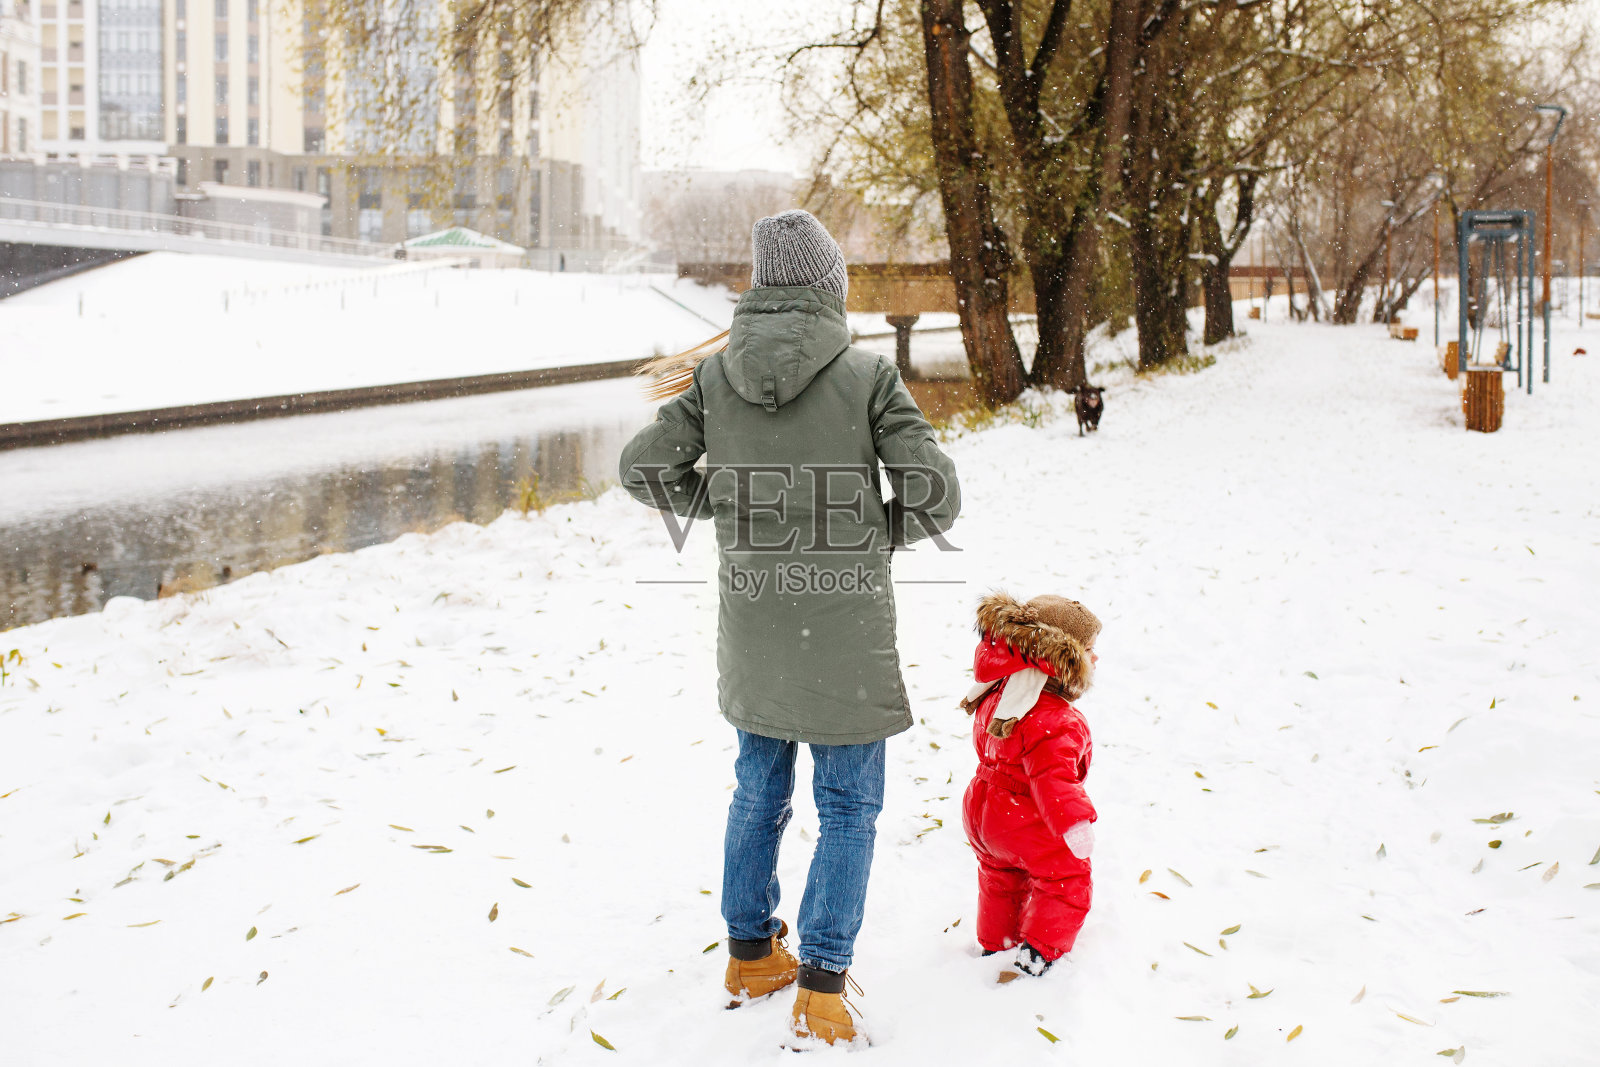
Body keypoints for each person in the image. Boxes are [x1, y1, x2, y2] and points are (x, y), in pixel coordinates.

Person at [618, 210, 961, 1045]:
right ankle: (824, 987)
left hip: (756, 634)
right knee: (848, 807)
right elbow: (936, 495)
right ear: (828, 289)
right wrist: (872, 529)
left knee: (759, 789)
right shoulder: (868, 376)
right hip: (843, 634)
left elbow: (641, 469)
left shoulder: (714, 378)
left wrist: (731, 508)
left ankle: (748, 953)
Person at [959, 592, 1100, 981]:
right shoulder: (1056, 719)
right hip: (1026, 817)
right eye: (1088, 650)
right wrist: (1075, 823)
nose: (1096, 658)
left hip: (984, 811)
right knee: (1066, 878)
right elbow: (1053, 778)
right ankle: (1038, 952)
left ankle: (995, 942)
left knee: (1000, 878)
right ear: (1060, 660)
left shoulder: (999, 695)